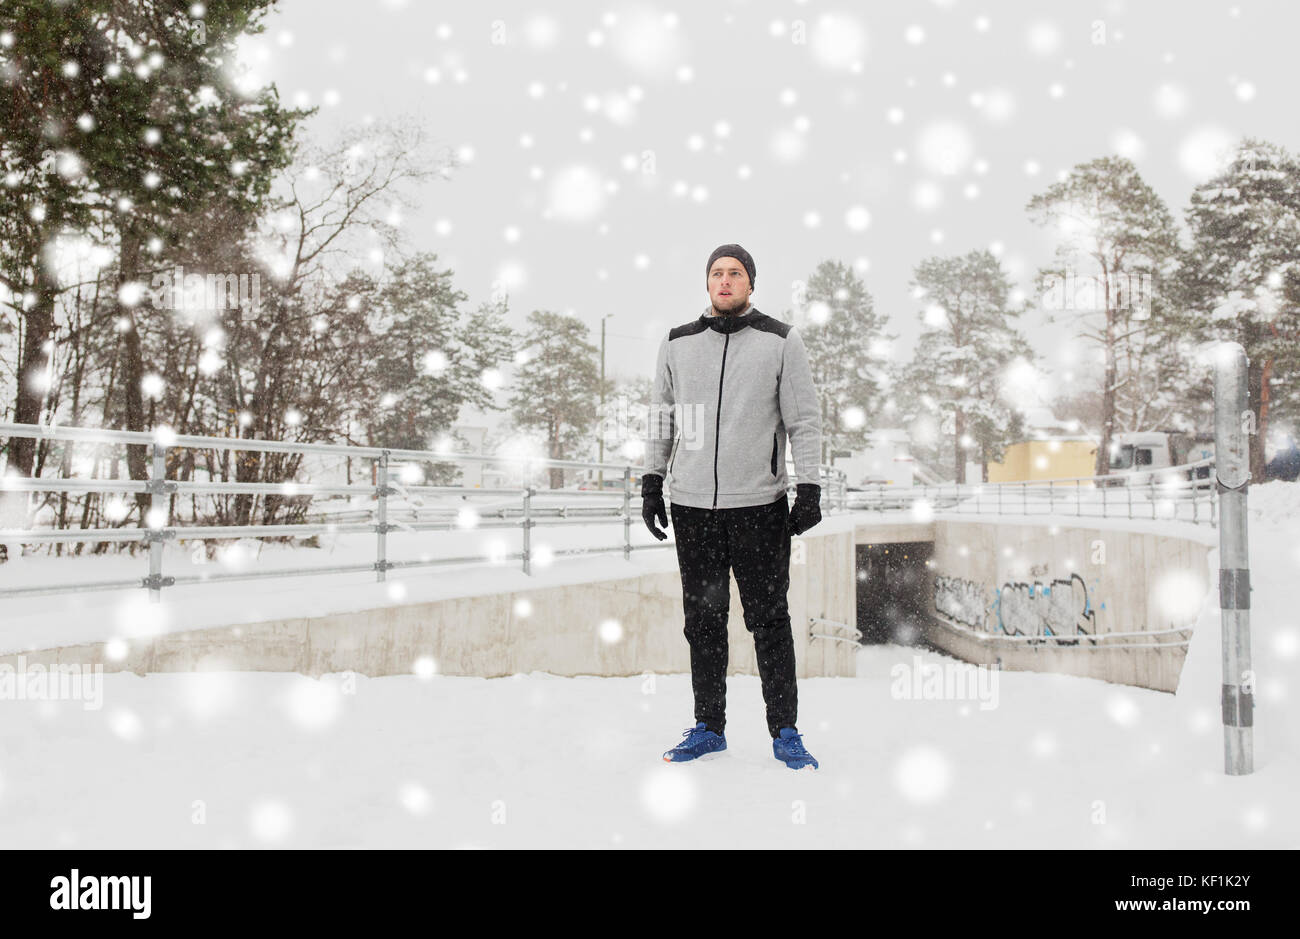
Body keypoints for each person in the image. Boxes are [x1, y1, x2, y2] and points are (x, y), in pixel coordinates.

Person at [641, 243, 824, 770]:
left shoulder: (781, 341)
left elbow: (804, 422)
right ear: (707, 283)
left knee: (768, 620)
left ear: (751, 283)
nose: (725, 281)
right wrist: (653, 481)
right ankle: (708, 726)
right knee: (702, 621)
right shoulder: (678, 343)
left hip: (759, 507)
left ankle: (785, 731)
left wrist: (808, 486)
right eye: (717, 273)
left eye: (735, 273)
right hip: (693, 506)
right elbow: (662, 417)